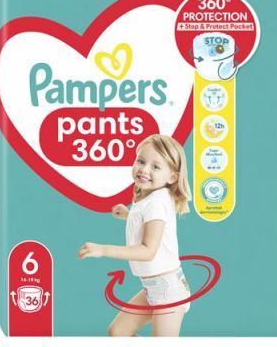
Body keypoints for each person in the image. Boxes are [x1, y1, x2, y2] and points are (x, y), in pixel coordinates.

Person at [78, 134, 192, 336]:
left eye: (155, 167)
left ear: (172, 177)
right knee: (118, 332)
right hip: (152, 287)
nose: (144, 169)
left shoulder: (157, 202)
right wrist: (130, 215)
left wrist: (103, 250)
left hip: (168, 290)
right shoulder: (152, 197)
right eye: (140, 161)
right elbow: (149, 223)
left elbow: (148, 251)